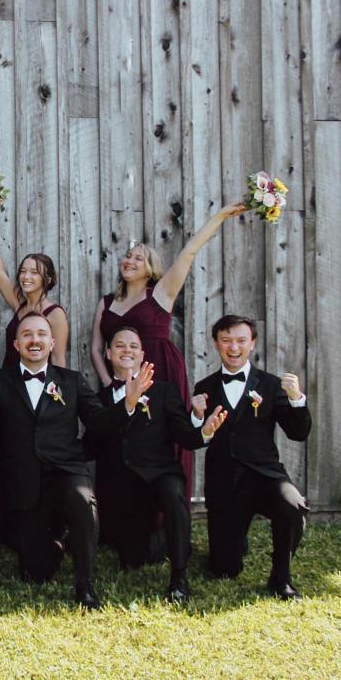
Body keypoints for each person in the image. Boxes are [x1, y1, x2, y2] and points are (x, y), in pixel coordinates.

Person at [0, 313, 130, 609]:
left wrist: (127, 404)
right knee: (35, 572)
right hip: (25, 482)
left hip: (66, 472)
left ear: (52, 342)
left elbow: (100, 423)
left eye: (41, 334)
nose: (34, 340)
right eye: (27, 335)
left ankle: (85, 585)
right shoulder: (0, 381)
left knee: (82, 500)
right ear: (16, 344)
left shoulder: (72, 380)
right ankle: (58, 540)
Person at [90, 201, 247, 501]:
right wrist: (111, 384)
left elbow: (189, 252)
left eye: (139, 258)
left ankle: (166, 514)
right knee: (121, 438)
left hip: (161, 366)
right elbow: (97, 349)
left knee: (166, 435)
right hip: (121, 376)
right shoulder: (106, 302)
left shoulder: (161, 293)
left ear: (151, 269)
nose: (130, 260)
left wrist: (220, 216)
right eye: (128, 256)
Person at [84, 327, 227, 602]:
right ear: (108, 353)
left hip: (161, 475)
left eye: (134, 346)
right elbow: (90, 446)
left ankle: (179, 578)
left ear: (142, 355)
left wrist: (203, 427)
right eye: (120, 345)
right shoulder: (99, 400)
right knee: (134, 559)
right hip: (123, 486)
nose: (127, 350)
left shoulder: (163, 392)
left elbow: (185, 436)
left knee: (174, 496)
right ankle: (160, 539)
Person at [190, 315, 311, 599]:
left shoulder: (270, 385)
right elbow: (194, 441)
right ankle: (234, 543)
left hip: (265, 476)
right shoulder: (204, 388)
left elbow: (298, 433)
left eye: (241, 340)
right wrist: (197, 417)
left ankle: (281, 577)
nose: (234, 347)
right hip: (225, 484)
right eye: (226, 340)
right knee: (223, 569)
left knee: (294, 508)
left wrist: (296, 400)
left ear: (252, 344)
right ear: (216, 344)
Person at [0, 207, 68, 368]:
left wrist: (56, 392)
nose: (26, 277)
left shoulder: (55, 314)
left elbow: (58, 359)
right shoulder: (19, 303)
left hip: (38, 385)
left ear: (47, 278)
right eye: (23, 271)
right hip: (10, 381)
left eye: (34, 272)